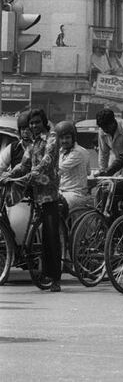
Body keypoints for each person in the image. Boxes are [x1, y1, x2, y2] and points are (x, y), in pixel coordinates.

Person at [1, 109, 61, 291]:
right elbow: (24, 163)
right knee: (39, 234)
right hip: (35, 190)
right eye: (31, 123)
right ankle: (43, 272)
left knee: (51, 236)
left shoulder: (52, 137)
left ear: (43, 122)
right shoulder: (32, 142)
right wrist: (9, 175)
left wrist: (31, 174)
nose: (34, 126)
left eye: (37, 122)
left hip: (49, 192)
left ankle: (55, 278)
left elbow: (47, 161)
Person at [55, 120, 91, 214]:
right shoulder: (62, 151)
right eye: (61, 138)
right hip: (62, 191)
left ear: (73, 138)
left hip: (75, 194)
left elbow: (58, 170)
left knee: (54, 206)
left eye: (67, 138)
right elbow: (89, 172)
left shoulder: (78, 152)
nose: (64, 141)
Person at [0, 112, 33, 207]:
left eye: (28, 129)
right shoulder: (12, 148)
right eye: (23, 129)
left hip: (36, 191)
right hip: (15, 192)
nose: (26, 131)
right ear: (20, 131)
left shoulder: (41, 147)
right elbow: (1, 165)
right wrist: (3, 177)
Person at [96, 108, 123, 176]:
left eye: (107, 127)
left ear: (113, 122)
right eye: (103, 128)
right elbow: (103, 154)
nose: (105, 130)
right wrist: (102, 172)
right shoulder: (102, 131)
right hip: (116, 165)